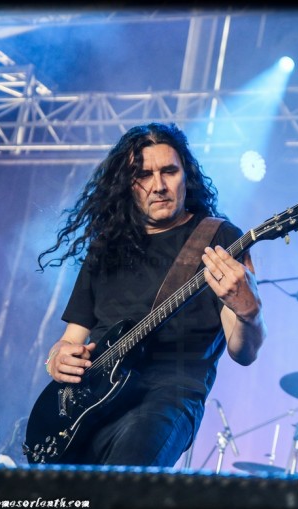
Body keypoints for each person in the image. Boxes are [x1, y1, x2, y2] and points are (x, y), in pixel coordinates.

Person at [35, 122, 267, 467]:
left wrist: (250, 312)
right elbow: (71, 339)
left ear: (186, 175)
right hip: (89, 406)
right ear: (127, 184)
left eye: (169, 171)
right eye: (144, 175)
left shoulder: (218, 238)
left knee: (122, 486)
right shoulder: (106, 246)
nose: (158, 186)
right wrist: (57, 358)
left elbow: (244, 352)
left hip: (166, 401)